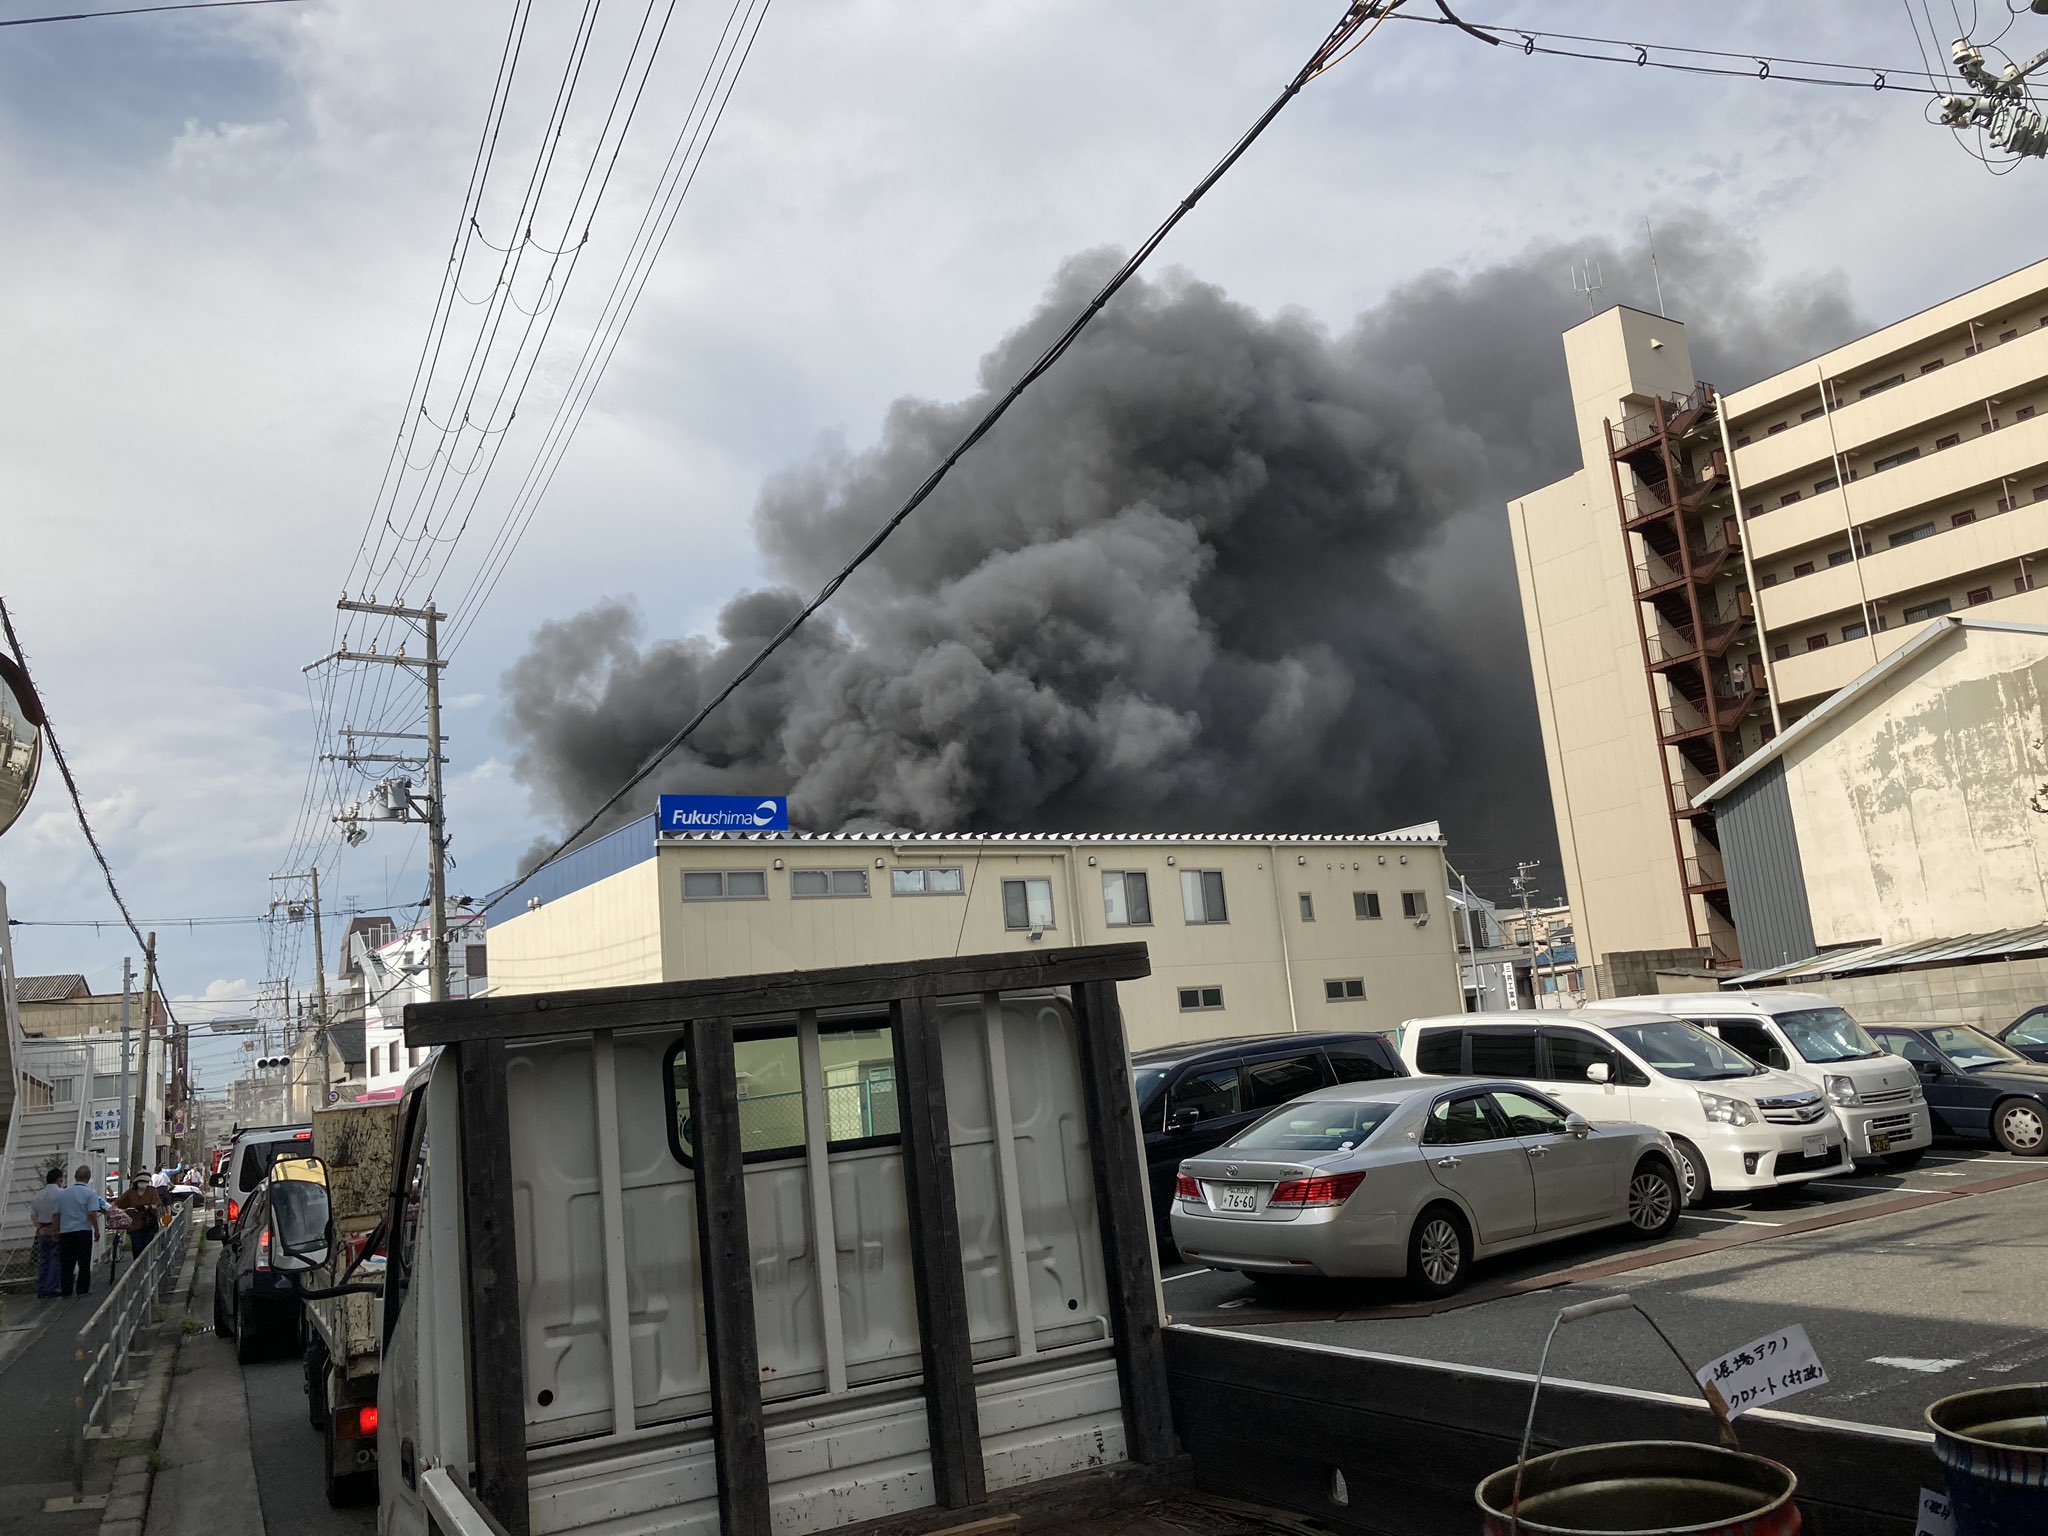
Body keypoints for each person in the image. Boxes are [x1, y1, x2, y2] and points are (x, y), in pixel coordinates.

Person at [55, 1165, 108, 1298]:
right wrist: (96, 1229)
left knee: (66, 1262)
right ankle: (82, 1290)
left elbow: (56, 1214)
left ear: (75, 1177)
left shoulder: (64, 1193)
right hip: (82, 1230)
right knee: (84, 1262)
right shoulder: (90, 1193)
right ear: (89, 1177)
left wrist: (56, 1229)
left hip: (66, 1231)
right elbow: (91, 1214)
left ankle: (66, 1290)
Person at [30, 1169, 64, 1298]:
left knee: (43, 1259)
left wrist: (39, 1228)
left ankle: (41, 1287)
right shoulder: (61, 1193)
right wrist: (56, 1229)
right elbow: (60, 1212)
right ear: (59, 1179)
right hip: (56, 1227)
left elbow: (33, 1214)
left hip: (42, 1228)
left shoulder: (38, 1195)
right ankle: (52, 1287)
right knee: (56, 1258)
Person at [115, 1174, 164, 1257]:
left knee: (147, 1245)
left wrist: (148, 1207)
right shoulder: (131, 1192)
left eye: (145, 1182)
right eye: (141, 1181)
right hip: (134, 1223)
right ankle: (137, 1266)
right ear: (136, 1182)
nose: (143, 1183)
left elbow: (157, 1203)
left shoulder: (152, 1190)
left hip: (149, 1222)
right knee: (137, 1246)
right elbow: (118, 1202)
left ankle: (146, 1266)